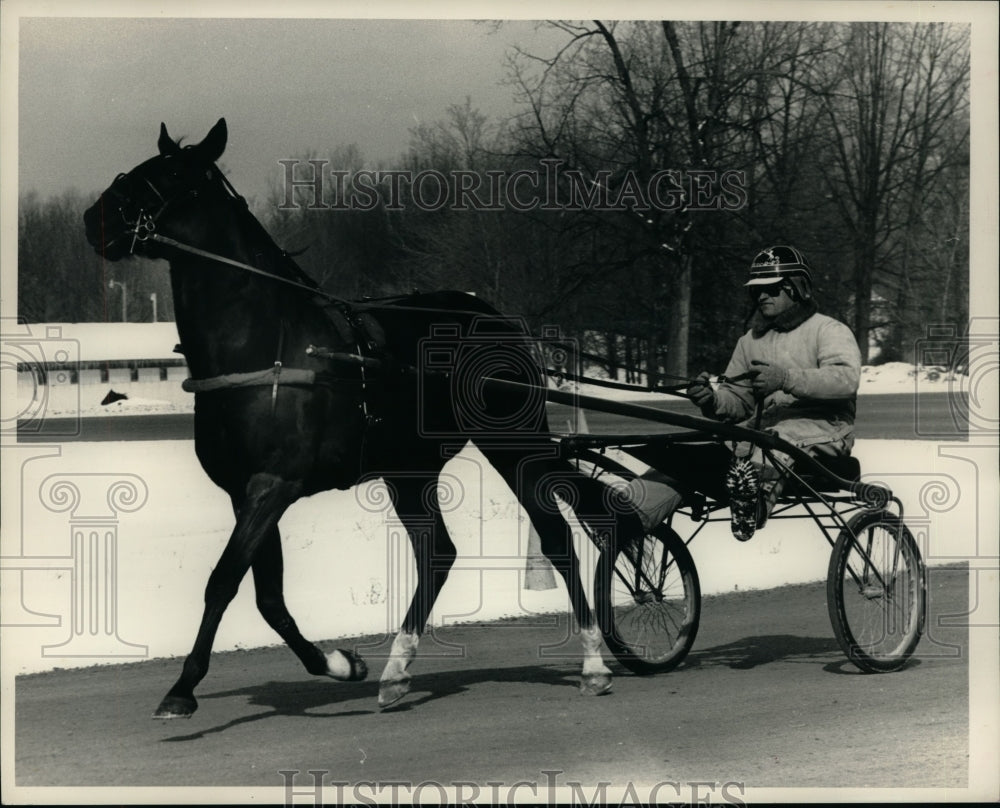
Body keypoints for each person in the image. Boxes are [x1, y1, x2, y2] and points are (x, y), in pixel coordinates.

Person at [626, 245, 862, 541]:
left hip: (824, 429)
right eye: (756, 291)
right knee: (689, 451)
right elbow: (737, 402)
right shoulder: (749, 341)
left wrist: (787, 378)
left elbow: (845, 379)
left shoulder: (828, 330)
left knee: (776, 438)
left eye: (771, 289)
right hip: (763, 432)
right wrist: (711, 400)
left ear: (797, 288)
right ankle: (625, 516)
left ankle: (752, 507)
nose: (761, 296)